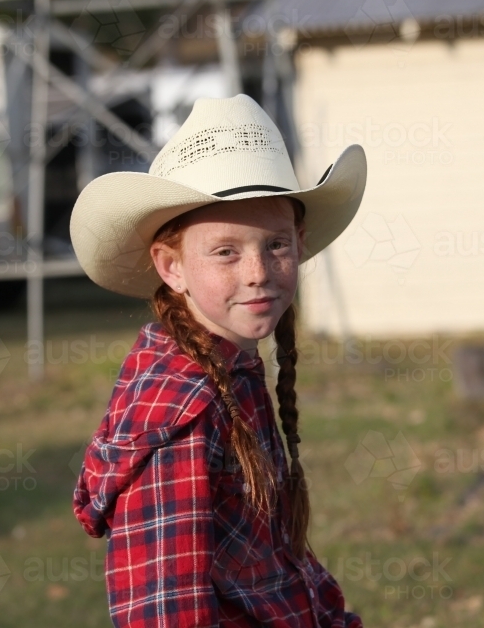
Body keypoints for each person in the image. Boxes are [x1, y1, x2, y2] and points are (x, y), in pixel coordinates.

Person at [69, 93, 367, 627]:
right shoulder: (184, 414)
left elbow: (277, 564)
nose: (258, 272)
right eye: (226, 251)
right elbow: (165, 613)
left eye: (275, 245)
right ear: (171, 266)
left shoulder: (232, 371)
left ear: (299, 245)